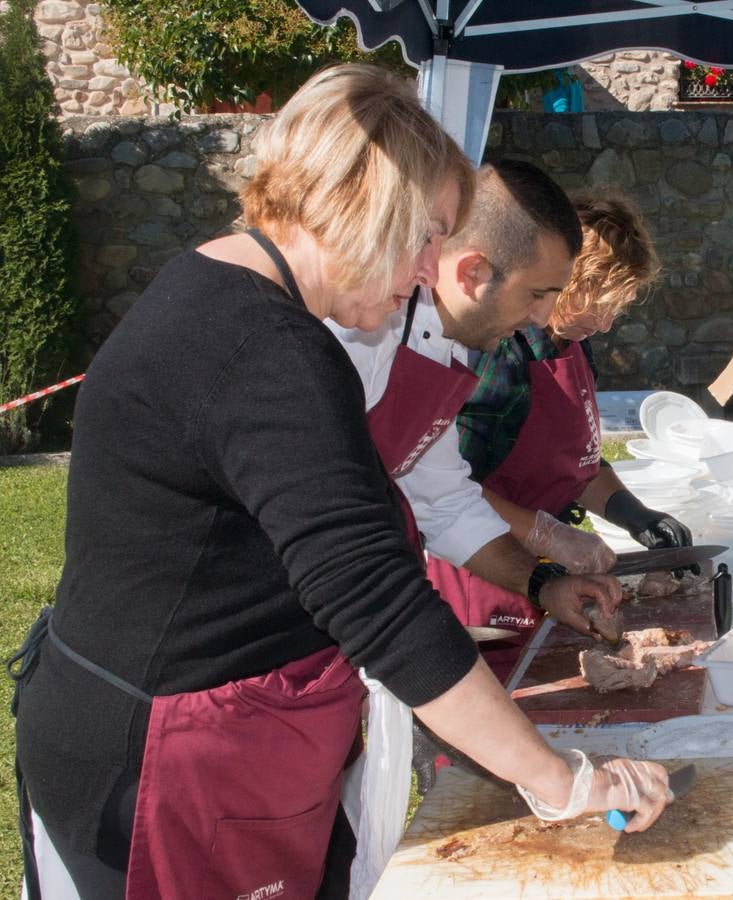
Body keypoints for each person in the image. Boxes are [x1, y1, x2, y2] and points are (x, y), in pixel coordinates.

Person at [10, 64, 670, 898]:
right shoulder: (267, 349)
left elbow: (419, 504)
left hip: (214, 714)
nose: (431, 265)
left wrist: (536, 575)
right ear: (366, 208)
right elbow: (376, 598)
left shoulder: (232, 300)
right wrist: (559, 778)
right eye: (427, 233)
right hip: (167, 745)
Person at [328, 159, 622, 650]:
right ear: (471, 273)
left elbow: (443, 501)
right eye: (536, 293)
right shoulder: (358, 332)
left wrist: (543, 582)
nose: (543, 316)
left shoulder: (449, 345)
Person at [443, 194, 687, 676]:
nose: (608, 322)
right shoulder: (501, 354)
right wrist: (546, 534)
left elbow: (578, 462)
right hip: (485, 572)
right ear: (571, 281)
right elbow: (449, 486)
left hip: (553, 575)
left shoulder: (573, 345)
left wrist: (636, 515)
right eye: (603, 303)